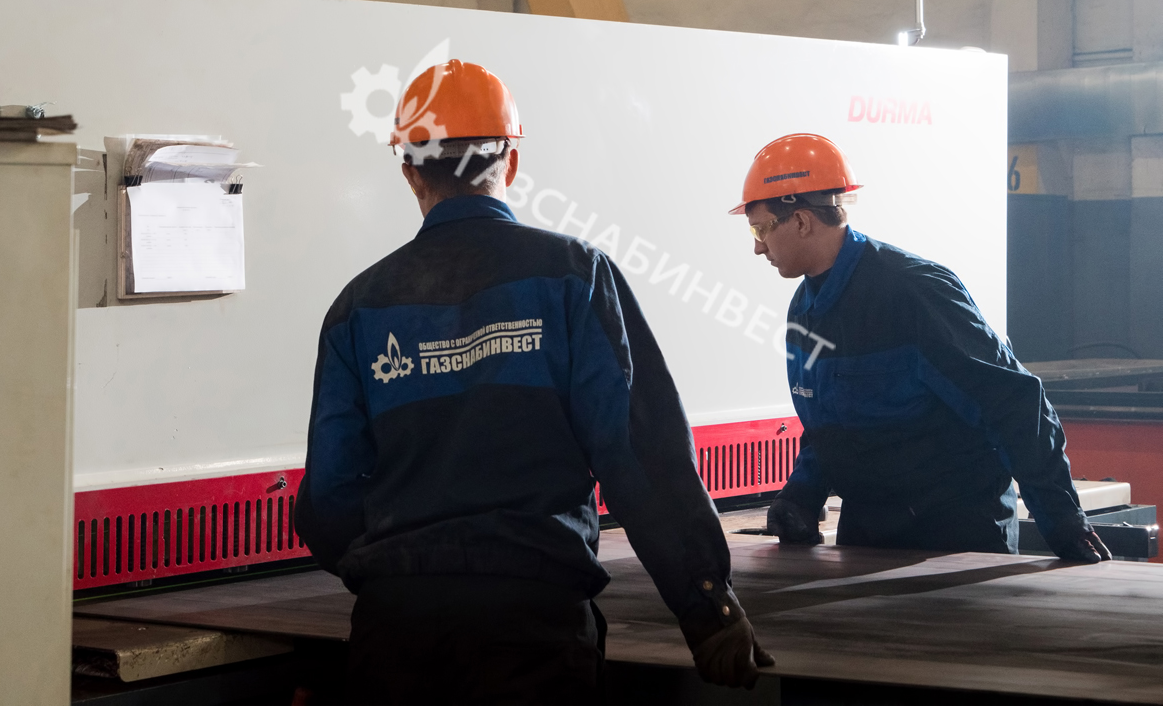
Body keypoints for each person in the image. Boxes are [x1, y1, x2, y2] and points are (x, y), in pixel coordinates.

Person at [295, 60, 771, 705]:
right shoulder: (574, 277)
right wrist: (705, 602)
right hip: (534, 625)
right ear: (511, 162)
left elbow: (328, 495)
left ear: (410, 172)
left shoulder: (360, 306)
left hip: (396, 631)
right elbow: (640, 454)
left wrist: (405, 572)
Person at [730, 133, 1110, 563]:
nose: (757, 246)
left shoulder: (914, 293)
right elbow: (832, 426)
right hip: (868, 536)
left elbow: (1014, 406)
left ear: (801, 221)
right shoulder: (805, 310)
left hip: (957, 538)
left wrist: (1064, 524)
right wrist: (803, 492)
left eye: (760, 229)